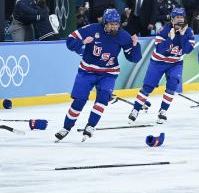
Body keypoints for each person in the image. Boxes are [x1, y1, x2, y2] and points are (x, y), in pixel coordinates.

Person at [54, 9, 141, 142]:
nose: (114, 27)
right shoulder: (91, 29)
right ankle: (66, 127)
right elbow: (69, 41)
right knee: (79, 101)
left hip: (108, 74)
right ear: (104, 23)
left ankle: (91, 126)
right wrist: (82, 43)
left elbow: (133, 58)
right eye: (111, 24)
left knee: (103, 98)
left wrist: (135, 45)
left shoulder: (123, 36)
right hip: (87, 71)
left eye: (116, 24)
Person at [128, 8, 195, 124]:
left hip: (175, 63)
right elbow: (159, 49)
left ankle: (163, 111)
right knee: (148, 87)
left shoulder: (188, 31)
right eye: (177, 17)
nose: (180, 19)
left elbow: (188, 50)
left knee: (173, 84)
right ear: (172, 19)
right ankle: (135, 109)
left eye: (182, 17)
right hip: (158, 62)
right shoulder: (164, 30)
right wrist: (170, 38)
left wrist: (183, 35)